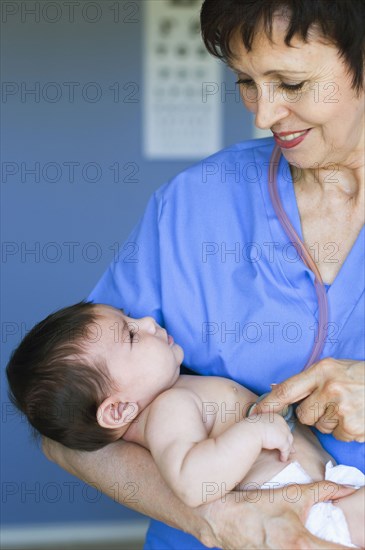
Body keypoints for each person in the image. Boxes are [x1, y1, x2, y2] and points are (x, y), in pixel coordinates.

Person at [42, 1, 365, 548]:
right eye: (246, 81)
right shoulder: (196, 204)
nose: (262, 115)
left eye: (290, 82)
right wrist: (216, 520)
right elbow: (68, 431)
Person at [6, 302, 365, 547]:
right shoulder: (168, 410)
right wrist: (253, 432)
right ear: (117, 411)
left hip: (317, 498)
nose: (147, 322)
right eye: (131, 335)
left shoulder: (173, 397)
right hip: (297, 515)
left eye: (131, 318)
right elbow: (193, 482)